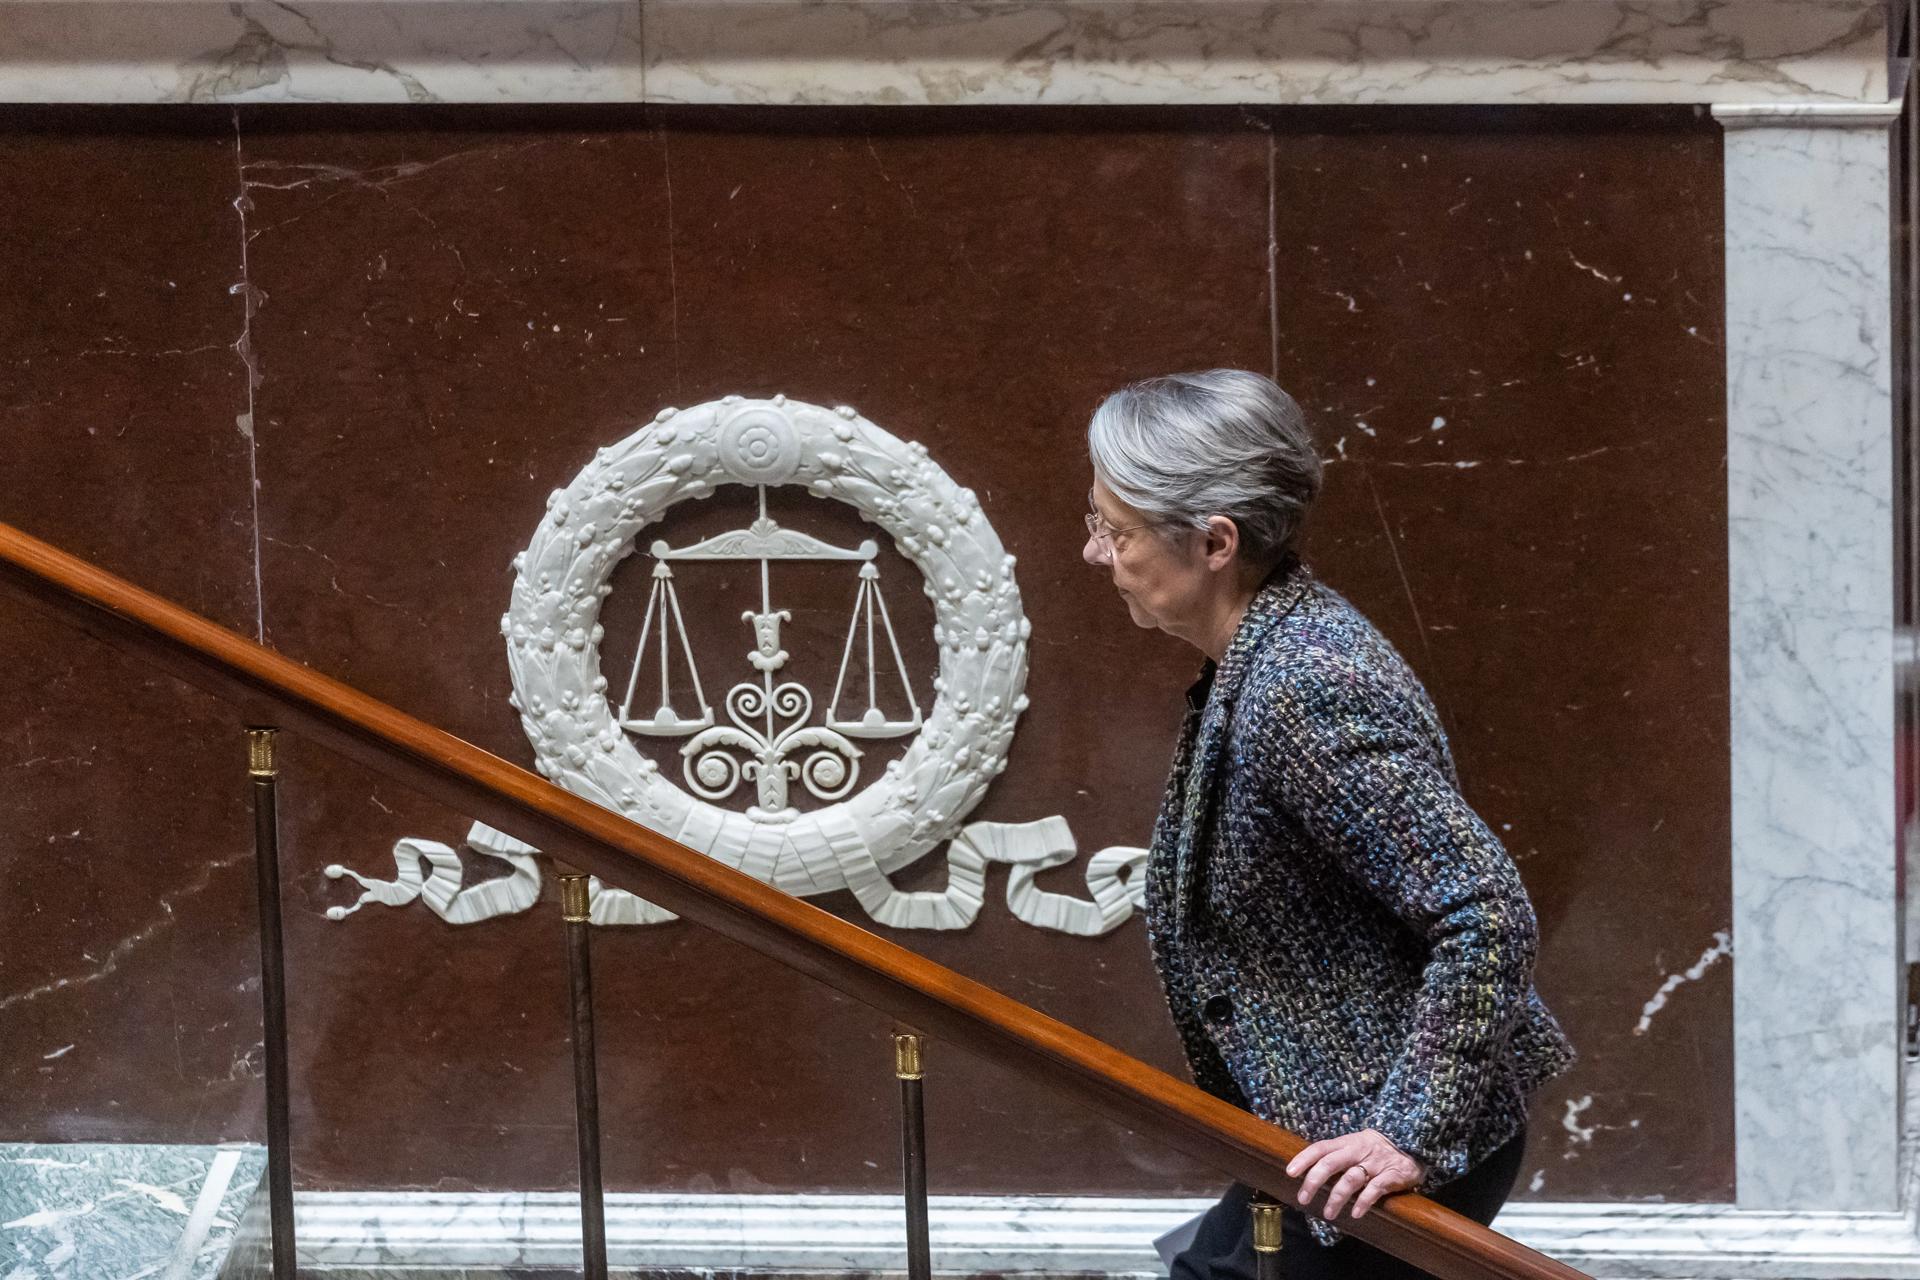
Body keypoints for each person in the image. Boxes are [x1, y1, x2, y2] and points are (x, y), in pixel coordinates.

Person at [1081, 370, 1575, 1279]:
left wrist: (1409, 1133)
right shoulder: (1260, 654)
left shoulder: (1306, 686)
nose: (1095, 552)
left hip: (1384, 1156)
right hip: (1319, 1131)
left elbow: (1487, 910)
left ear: (1215, 542)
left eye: (1114, 530)